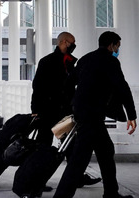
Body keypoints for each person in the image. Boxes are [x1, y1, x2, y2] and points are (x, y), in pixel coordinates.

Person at [53, 31, 137, 198]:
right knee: (79, 160)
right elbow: (122, 88)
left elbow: (69, 83)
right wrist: (131, 115)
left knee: (106, 150)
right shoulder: (110, 61)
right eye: (117, 46)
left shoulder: (85, 59)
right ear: (111, 45)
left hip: (85, 113)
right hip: (92, 116)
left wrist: (73, 105)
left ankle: (111, 193)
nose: (118, 50)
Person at [31, 32, 100, 191]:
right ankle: (37, 181)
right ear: (63, 42)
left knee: (71, 146)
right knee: (44, 147)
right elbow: (38, 87)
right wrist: (35, 110)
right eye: (72, 43)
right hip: (47, 113)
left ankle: (77, 178)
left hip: (63, 113)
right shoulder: (47, 61)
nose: (73, 46)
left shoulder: (69, 63)